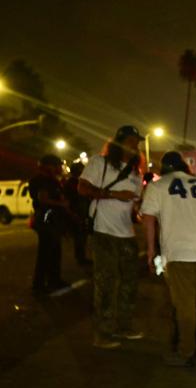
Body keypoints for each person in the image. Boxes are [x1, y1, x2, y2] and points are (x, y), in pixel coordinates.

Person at [141, 151, 196, 366]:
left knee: (184, 303)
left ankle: (185, 351)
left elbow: (148, 219)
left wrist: (151, 250)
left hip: (178, 251)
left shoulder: (157, 187)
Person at [78, 125, 144, 349]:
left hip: (127, 233)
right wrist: (114, 194)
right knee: (106, 284)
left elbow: (135, 203)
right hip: (104, 232)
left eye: (137, 141)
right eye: (131, 140)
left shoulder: (136, 172)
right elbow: (83, 188)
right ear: (118, 141)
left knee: (129, 283)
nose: (135, 145)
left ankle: (124, 326)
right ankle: (103, 333)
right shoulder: (100, 162)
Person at [29, 154, 70, 295]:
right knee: (45, 253)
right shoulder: (40, 180)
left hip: (53, 220)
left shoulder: (52, 180)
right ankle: (39, 285)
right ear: (48, 166)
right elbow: (43, 199)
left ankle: (54, 280)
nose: (59, 168)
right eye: (57, 165)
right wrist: (61, 204)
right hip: (46, 220)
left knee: (55, 252)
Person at [63, 162, 92, 266]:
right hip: (76, 213)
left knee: (82, 237)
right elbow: (67, 200)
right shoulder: (71, 183)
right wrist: (72, 214)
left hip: (81, 213)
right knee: (79, 238)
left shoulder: (78, 182)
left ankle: (81, 257)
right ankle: (81, 259)